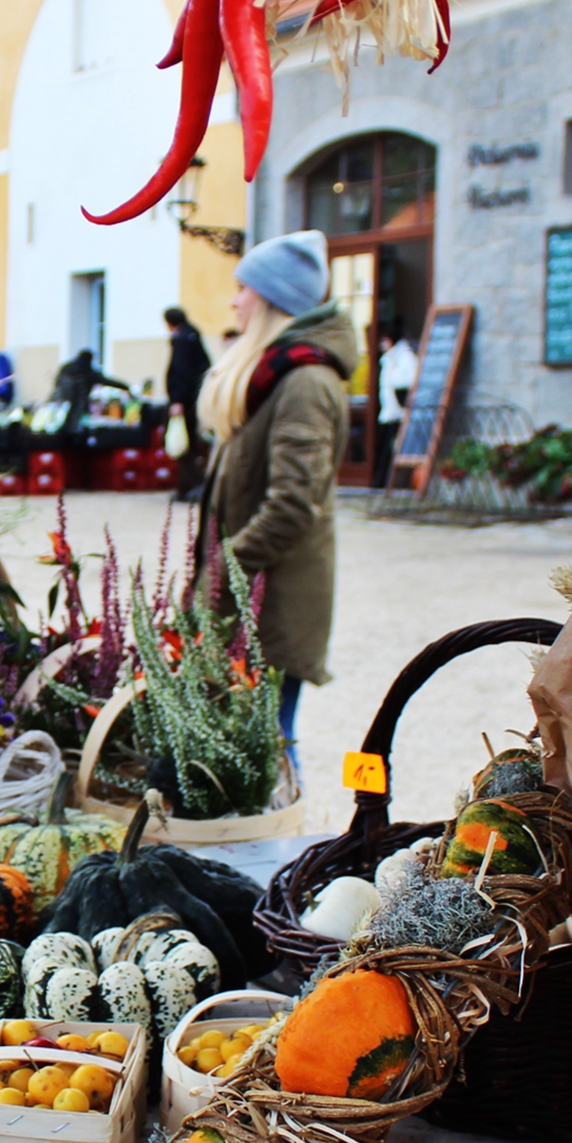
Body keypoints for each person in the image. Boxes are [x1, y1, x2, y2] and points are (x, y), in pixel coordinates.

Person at [198, 230, 357, 761]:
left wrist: (220, 571)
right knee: (252, 751)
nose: (233, 300)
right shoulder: (278, 374)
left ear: (270, 300)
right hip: (253, 599)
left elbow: (292, 506)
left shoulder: (305, 381)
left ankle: (287, 847)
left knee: (267, 754)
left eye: (242, 289)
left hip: (274, 607)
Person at [162, 306, 211, 496]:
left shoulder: (181, 339)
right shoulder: (194, 336)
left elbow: (181, 371)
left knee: (181, 444)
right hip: (197, 396)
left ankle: (195, 485)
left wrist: (178, 400)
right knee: (188, 441)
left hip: (186, 400)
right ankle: (185, 487)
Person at [370, 316, 418, 490]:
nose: (382, 344)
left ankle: (390, 483)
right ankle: (380, 481)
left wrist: (394, 378)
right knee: (384, 447)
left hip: (398, 411)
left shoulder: (404, 357)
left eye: (385, 340)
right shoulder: (390, 357)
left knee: (393, 449)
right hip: (389, 411)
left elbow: (407, 381)